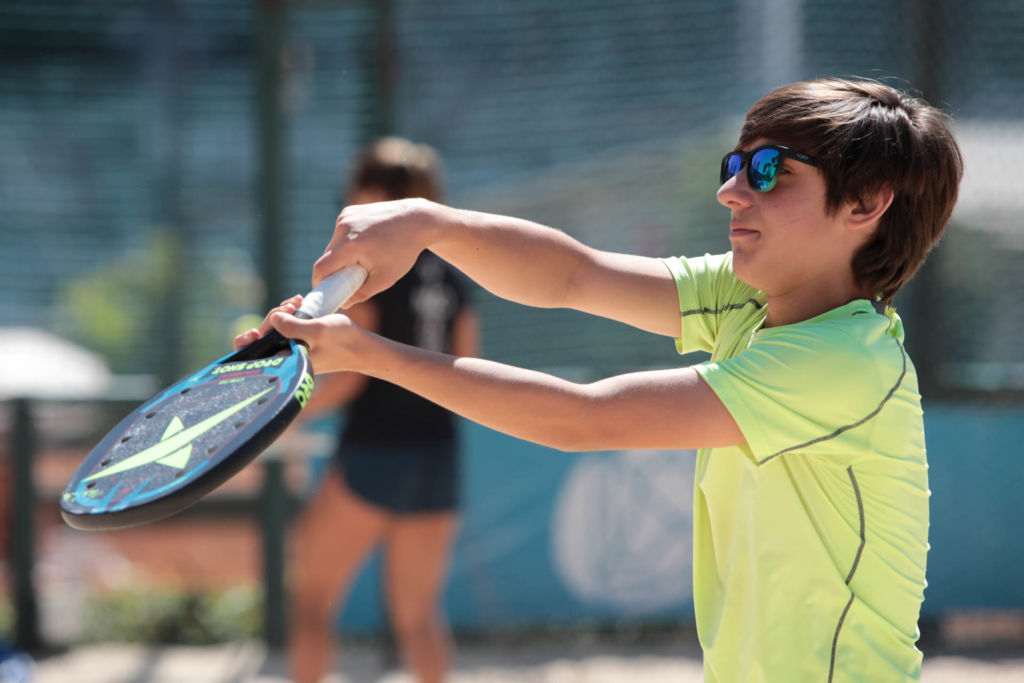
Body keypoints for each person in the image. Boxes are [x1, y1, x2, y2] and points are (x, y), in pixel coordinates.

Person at [238, 78, 963, 681]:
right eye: (733, 167)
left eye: (770, 170)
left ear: (867, 202)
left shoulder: (844, 362)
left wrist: (369, 352)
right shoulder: (756, 299)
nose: (732, 193)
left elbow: (585, 419)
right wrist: (431, 222)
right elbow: (572, 274)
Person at [283, 137, 478, 683]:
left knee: (312, 599)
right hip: (437, 453)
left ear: (374, 194)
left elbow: (348, 377)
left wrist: (285, 415)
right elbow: (468, 365)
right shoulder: (455, 279)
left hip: (376, 451)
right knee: (418, 616)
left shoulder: (370, 273)